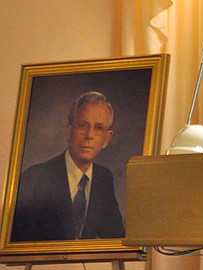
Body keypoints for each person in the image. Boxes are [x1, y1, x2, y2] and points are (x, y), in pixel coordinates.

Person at [11, 91, 125, 242]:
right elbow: (18, 241)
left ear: (107, 138)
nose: (89, 135)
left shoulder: (103, 178)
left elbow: (116, 239)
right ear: (68, 132)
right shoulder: (35, 177)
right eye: (82, 125)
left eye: (98, 128)